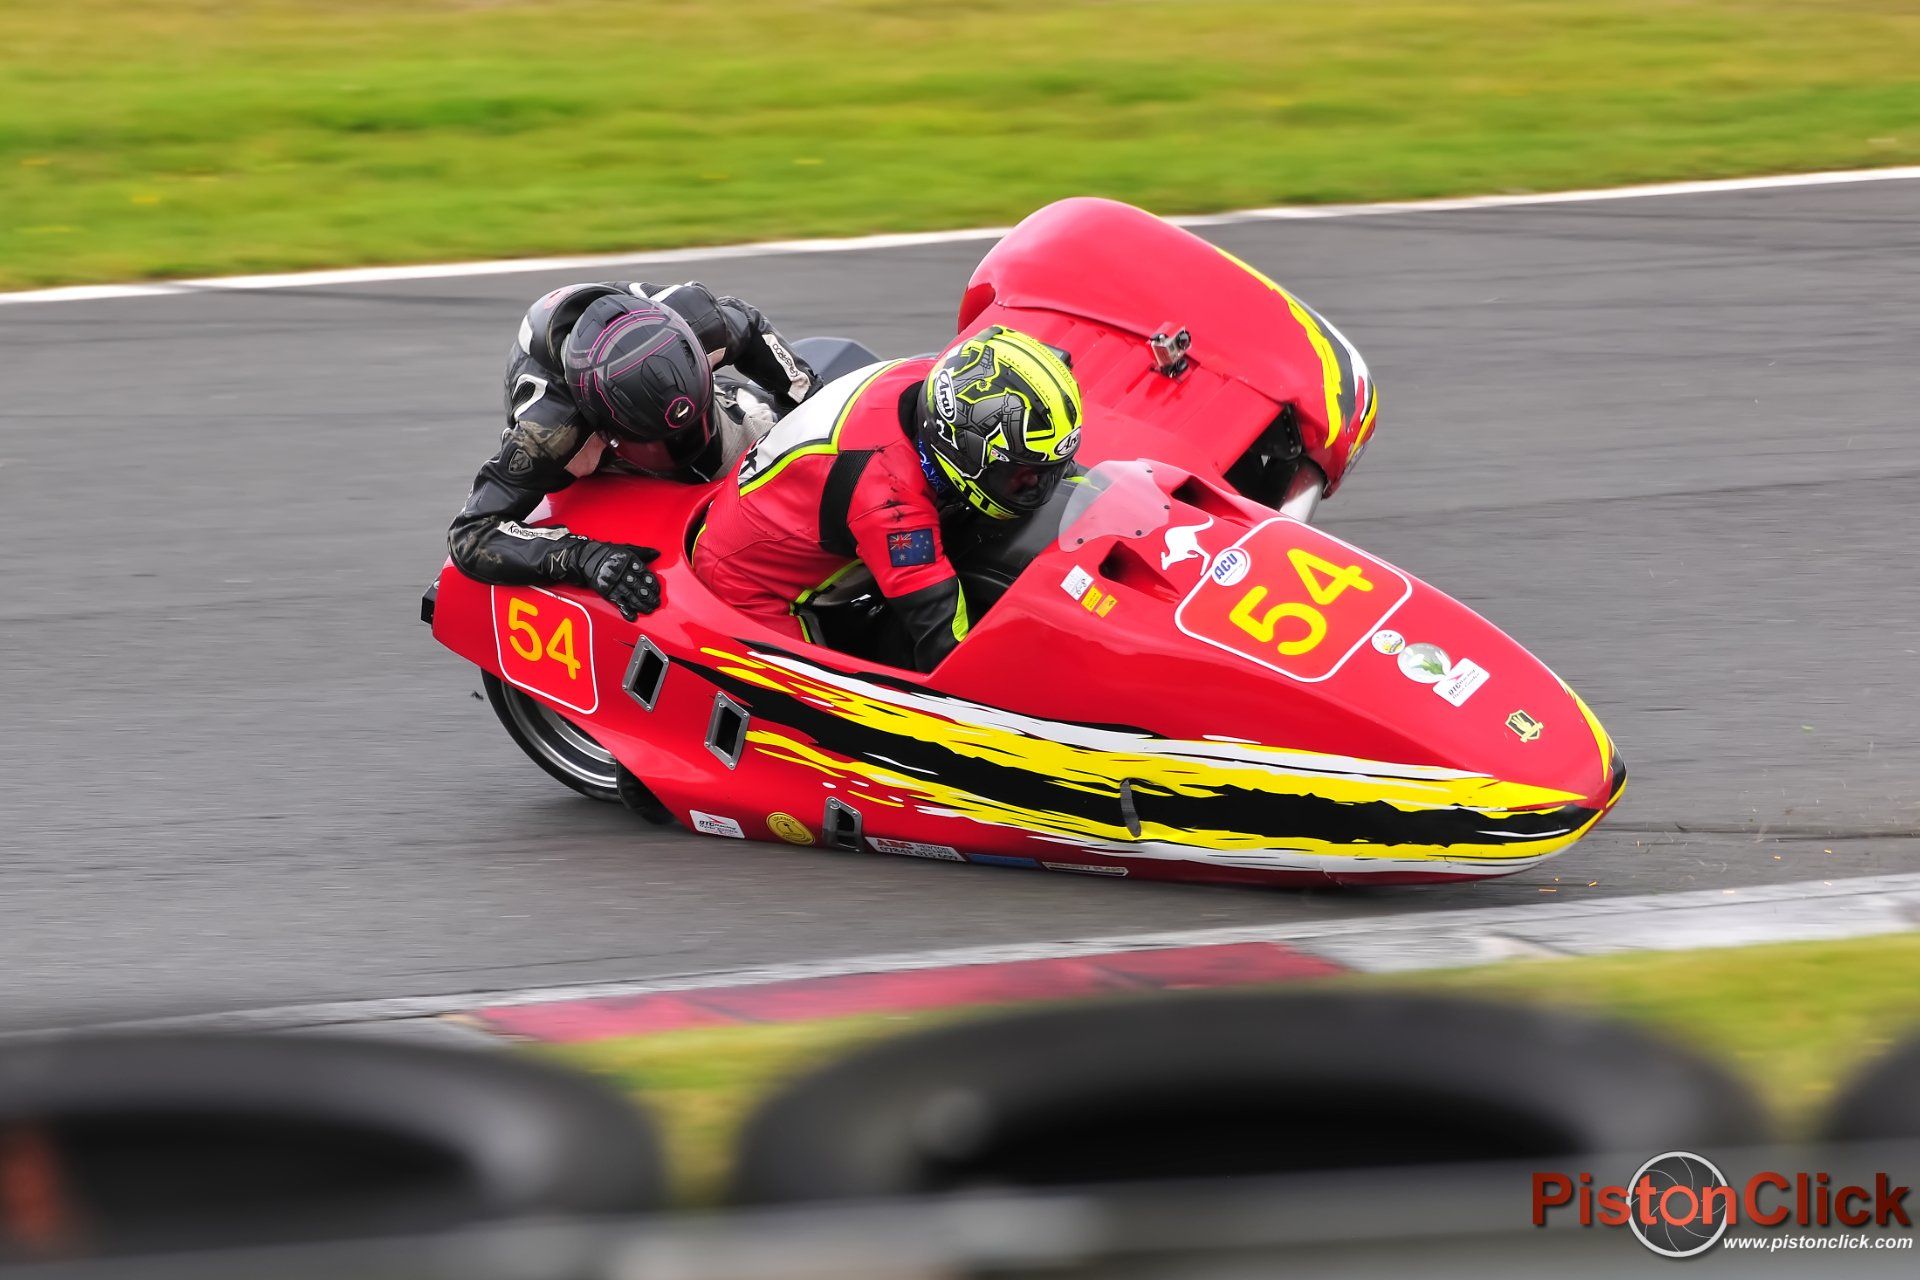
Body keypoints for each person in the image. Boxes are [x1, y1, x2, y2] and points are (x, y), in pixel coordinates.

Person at [693, 325, 1083, 671]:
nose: (1035, 486)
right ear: (963, 449)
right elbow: (944, 633)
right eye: (1022, 476)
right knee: (823, 701)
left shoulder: (943, 379)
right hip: (752, 589)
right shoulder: (890, 506)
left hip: (812, 500)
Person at [448, 281, 815, 619]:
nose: (681, 451)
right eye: (659, 445)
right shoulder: (550, 430)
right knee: (582, 478)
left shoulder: (703, 319)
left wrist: (811, 397)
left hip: (674, 388)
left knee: (770, 440)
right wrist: (584, 558)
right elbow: (471, 533)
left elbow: (750, 326)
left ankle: (728, 403)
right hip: (588, 449)